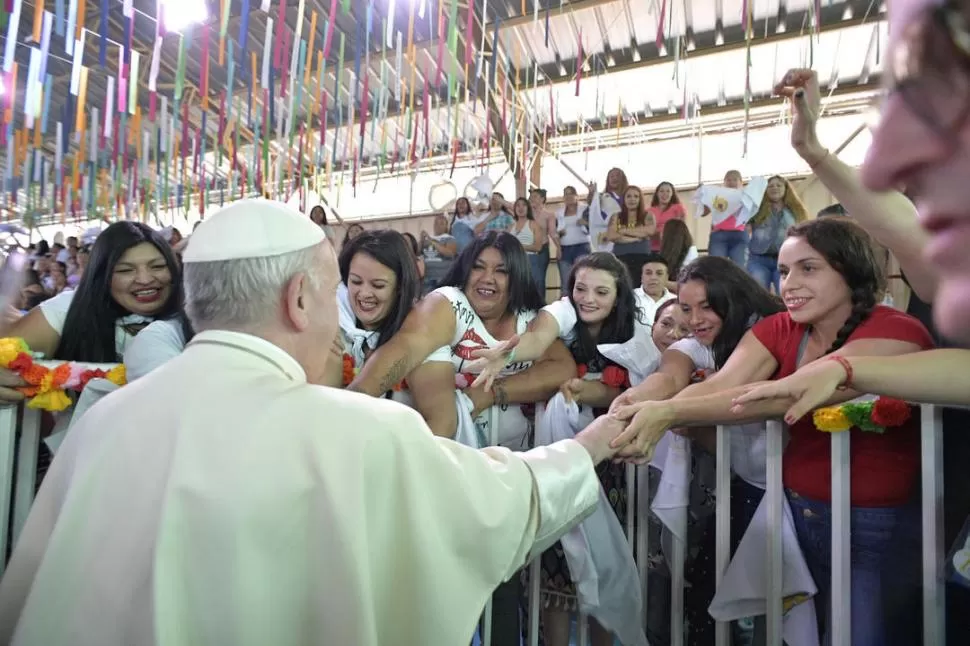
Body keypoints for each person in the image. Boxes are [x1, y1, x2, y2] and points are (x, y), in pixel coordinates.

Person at [0, 199, 627, 646]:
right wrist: (592, 443)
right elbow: (503, 499)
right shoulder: (350, 427)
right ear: (299, 300)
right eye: (333, 292)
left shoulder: (104, 424)